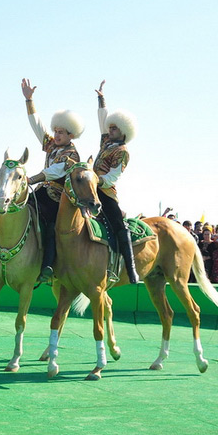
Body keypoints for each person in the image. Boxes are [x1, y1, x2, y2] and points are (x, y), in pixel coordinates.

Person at [15, 78, 83, 281]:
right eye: (55, 131)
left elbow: (55, 171)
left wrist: (31, 179)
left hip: (57, 198)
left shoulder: (73, 154)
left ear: (70, 134)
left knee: (51, 227)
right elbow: (37, 125)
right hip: (40, 192)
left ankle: (47, 266)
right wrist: (29, 100)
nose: (56, 135)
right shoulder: (51, 145)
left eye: (61, 132)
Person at [93, 80, 140, 284]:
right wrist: (101, 99)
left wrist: (96, 179)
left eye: (113, 128)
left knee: (119, 226)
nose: (109, 130)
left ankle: (130, 269)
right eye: (109, 128)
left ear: (123, 131)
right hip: (90, 189)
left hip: (105, 192)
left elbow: (113, 176)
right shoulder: (106, 141)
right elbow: (102, 119)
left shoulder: (123, 152)